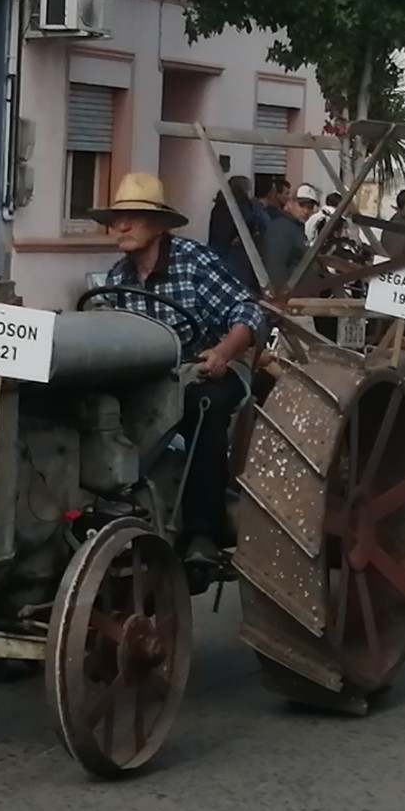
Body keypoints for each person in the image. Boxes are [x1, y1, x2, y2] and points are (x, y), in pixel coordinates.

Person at [92, 173, 265, 565]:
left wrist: (222, 352)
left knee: (202, 404)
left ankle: (203, 533)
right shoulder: (116, 277)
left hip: (208, 369)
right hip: (150, 380)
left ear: (157, 225)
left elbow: (246, 310)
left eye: (132, 217)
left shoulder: (195, 261)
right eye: (116, 218)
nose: (120, 226)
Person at [207, 175, 264, 290]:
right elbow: (252, 222)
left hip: (216, 252)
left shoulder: (219, 205)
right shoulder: (242, 205)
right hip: (236, 256)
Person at [261, 182, 320, 291]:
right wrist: (283, 298)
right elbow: (275, 269)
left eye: (310, 207)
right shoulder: (281, 228)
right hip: (289, 300)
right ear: (291, 203)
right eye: (301, 205)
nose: (305, 211)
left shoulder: (297, 227)